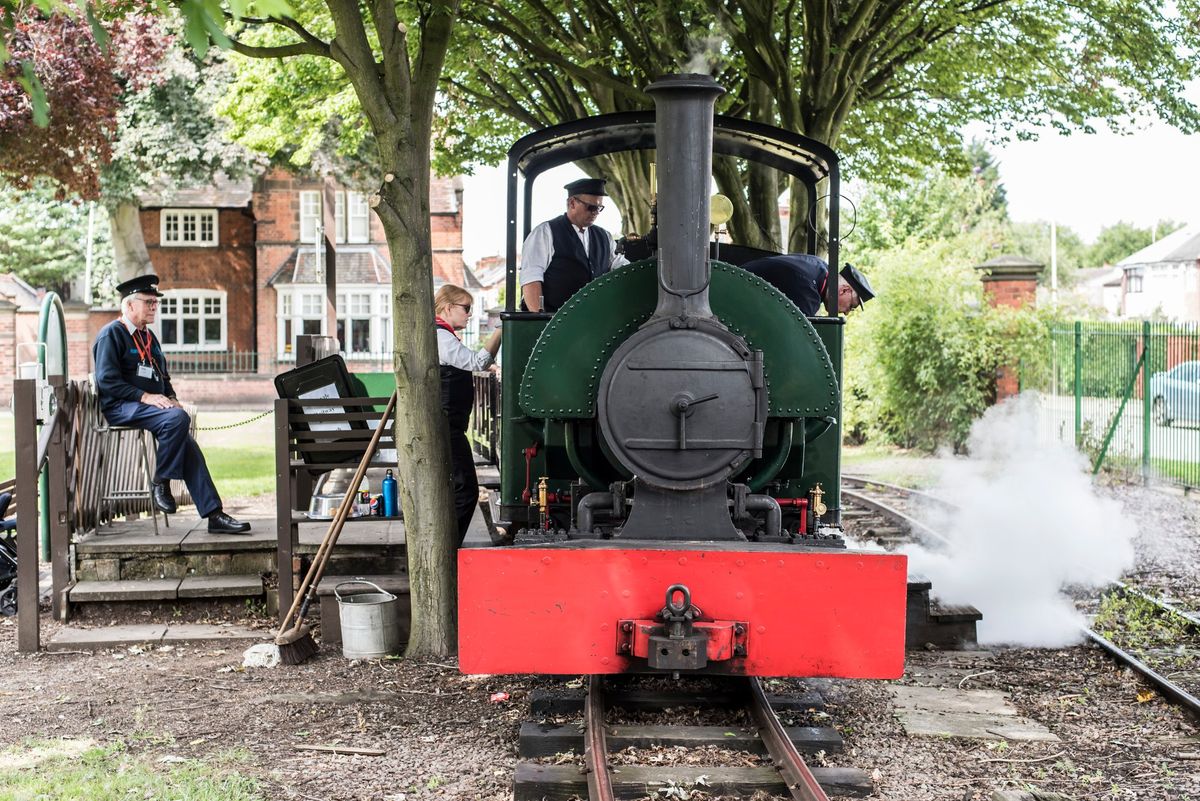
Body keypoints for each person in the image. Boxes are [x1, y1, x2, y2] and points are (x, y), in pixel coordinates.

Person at [92, 275, 251, 535]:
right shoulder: (112, 334)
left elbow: (162, 377)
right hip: (122, 407)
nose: (154, 307)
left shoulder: (148, 337)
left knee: (186, 438)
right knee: (178, 420)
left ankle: (214, 514)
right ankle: (161, 482)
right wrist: (144, 396)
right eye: (149, 302)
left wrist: (172, 398)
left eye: (156, 303)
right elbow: (107, 381)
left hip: (152, 409)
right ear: (130, 305)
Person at [435, 284, 502, 545]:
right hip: (447, 426)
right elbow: (476, 362)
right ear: (448, 306)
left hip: (450, 425)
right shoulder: (441, 337)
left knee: (457, 490)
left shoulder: (444, 336)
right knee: (466, 491)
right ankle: (449, 551)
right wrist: (500, 331)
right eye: (466, 308)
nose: (469, 314)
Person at [520, 177, 630, 313]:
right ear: (572, 203)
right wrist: (539, 319)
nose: (595, 212)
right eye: (591, 207)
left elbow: (621, 267)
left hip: (596, 320)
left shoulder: (605, 237)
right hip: (555, 322)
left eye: (599, 208)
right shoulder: (545, 233)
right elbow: (531, 279)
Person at [740, 253, 875, 315]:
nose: (846, 313)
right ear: (844, 290)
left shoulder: (819, 267)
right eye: (851, 306)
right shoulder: (807, 288)